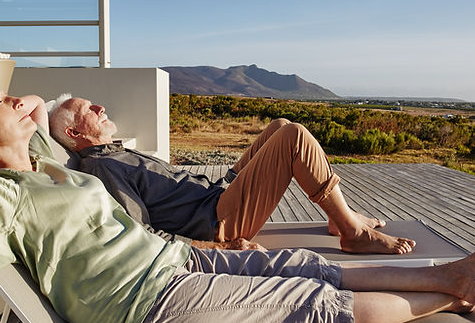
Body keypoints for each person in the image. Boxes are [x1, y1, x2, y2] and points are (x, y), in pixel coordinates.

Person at [0, 66, 475, 323]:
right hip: (141, 307)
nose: (17, 100)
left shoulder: (47, 166)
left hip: (173, 264)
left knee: (303, 264)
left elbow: (41, 106)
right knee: (306, 303)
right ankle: (452, 291)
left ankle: (448, 268)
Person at [48, 95, 417, 254]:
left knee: (280, 125)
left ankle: (340, 217)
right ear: (75, 135)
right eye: (88, 109)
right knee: (294, 137)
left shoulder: (112, 153)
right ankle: (351, 233)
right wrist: (222, 248)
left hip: (215, 193)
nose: (100, 107)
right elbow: (140, 234)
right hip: (217, 219)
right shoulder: (102, 168)